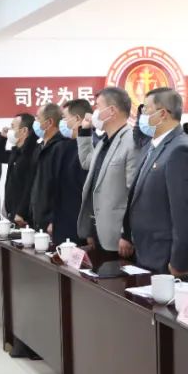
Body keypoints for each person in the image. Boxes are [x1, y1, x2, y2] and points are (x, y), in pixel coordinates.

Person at [120, 88, 188, 274]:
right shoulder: (152, 145)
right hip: (145, 250)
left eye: (146, 109)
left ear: (162, 114)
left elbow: (184, 212)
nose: (142, 115)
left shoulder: (179, 150)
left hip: (165, 256)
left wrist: (179, 261)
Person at [75, 87, 141, 258]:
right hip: (97, 231)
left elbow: (134, 194)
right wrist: (84, 132)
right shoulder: (104, 141)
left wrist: (127, 234)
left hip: (118, 237)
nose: (94, 113)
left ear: (111, 111)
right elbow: (86, 162)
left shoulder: (131, 142)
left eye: (98, 107)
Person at [26, 103, 85, 244]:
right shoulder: (41, 147)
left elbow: (60, 187)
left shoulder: (61, 147)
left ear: (49, 122)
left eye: (38, 118)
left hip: (54, 221)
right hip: (38, 217)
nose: (35, 122)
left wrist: (53, 219)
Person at [0, 113, 40, 225]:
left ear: (24, 131)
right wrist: (2, 138)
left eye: (13, 127)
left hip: (23, 214)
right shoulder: (16, 151)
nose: (9, 130)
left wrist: (21, 212)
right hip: (12, 209)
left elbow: (29, 185)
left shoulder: (31, 152)